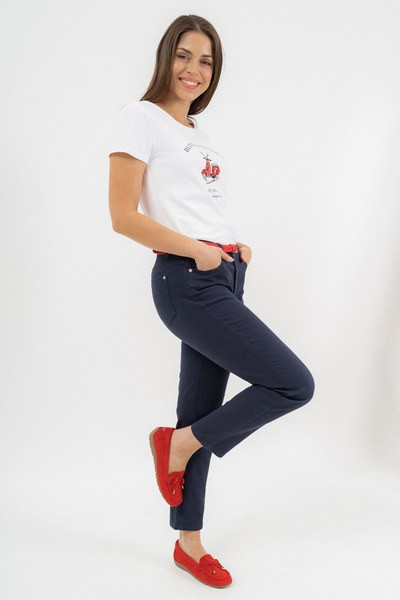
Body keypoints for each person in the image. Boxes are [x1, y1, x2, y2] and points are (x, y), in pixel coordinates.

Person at [108, 14, 315, 588]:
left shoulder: (196, 132)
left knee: (200, 414)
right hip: (186, 280)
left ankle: (188, 543)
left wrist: (229, 247)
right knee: (292, 384)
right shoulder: (139, 118)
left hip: (221, 274)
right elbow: (123, 216)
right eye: (184, 55)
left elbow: (196, 208)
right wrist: (200, 253)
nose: (193, 70)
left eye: (206, 61)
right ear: (165, 57)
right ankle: (175, 446)